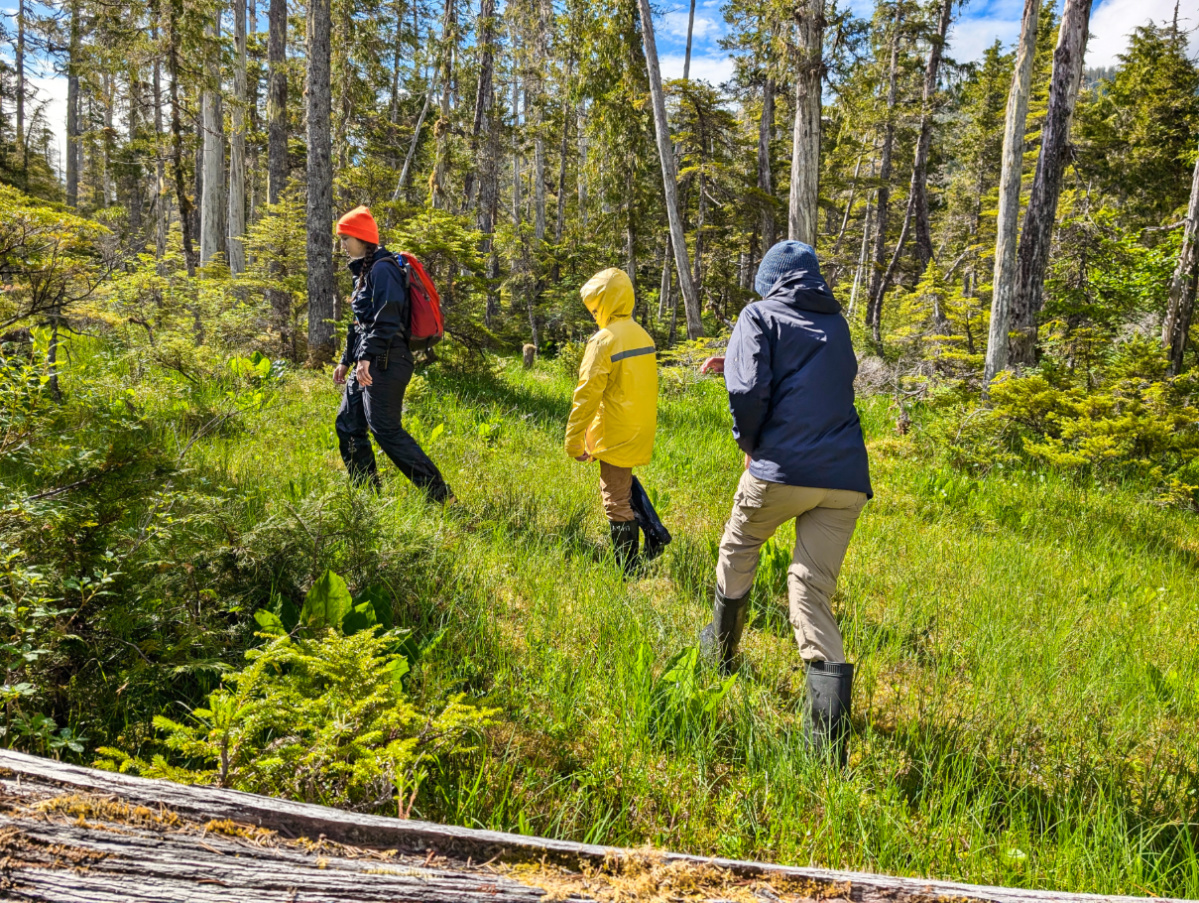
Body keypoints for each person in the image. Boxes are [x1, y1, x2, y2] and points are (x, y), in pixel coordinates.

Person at [700, 240, 871, 765]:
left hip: (781, 470)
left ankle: (720, 654)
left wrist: (749, 446)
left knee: (740, 545)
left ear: (772, 279)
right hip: (845, 481)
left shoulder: (759, 314)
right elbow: (815, 380)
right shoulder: (837, 324)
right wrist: (728, 360)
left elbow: (750, 391)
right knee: (810, 588)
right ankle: (826, 754)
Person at [332, 205, 453, 504]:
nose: (342, 244)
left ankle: (442, 497)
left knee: (385, 430)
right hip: (369, 360)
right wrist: (347, 359)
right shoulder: (364, 272)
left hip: (387, 361)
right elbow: (362, 323)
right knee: (348, 425)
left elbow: (387, 318)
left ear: (361, 238)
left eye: (346, 237)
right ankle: (367, 498)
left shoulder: (383, 269)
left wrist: (365, 358)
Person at [564, 268, 669, 573]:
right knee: (623, 482)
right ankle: (655, 533)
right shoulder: (642, 335)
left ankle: (629, 570)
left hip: (615, 429)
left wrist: (574, 440)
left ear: (606, 302)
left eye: (595, 307)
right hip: (640, 426)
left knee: (615, 499)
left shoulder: (603, 341)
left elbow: (586, 396)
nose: (594, 314)